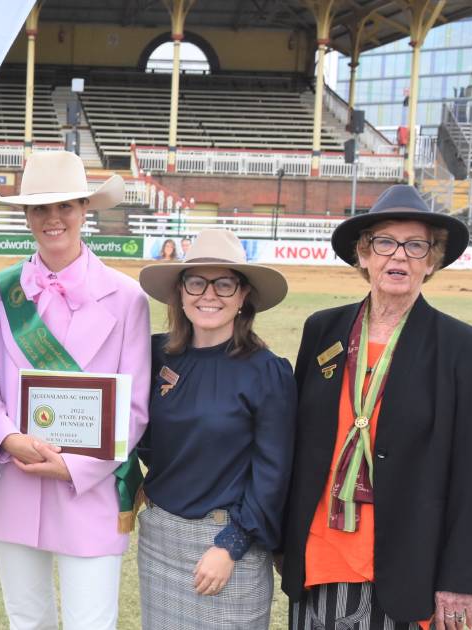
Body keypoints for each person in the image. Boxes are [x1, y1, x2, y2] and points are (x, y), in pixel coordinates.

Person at [281, 184, 472, 630]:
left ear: (432, 261)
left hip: (406, 567)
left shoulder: (462, 347)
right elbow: (296, 443)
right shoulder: (323, 330)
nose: (399, 257)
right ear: (363, 255)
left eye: (416, 246)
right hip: (320, 556)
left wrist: (458, 579)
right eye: (384, 243)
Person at [0, 151, 151, 629]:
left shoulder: (128, 297)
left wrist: (75, 464)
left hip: (88, 488)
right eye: (39, 209)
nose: (53, 219)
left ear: (84, 210)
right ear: (26, 215)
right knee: (25, 619)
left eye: (66, 206)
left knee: (89, 622)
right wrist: (8, 438)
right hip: (15, 478)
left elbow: (133, 409)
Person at [134, 228, 295, 629]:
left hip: (226, 546)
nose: (209, 294)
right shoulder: (153, 354)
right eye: (196, 282)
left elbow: (273, 472)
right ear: (181, 293)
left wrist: (231, 545)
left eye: (224, 283)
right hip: (160, 537)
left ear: (243, 296)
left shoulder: (266, 371)